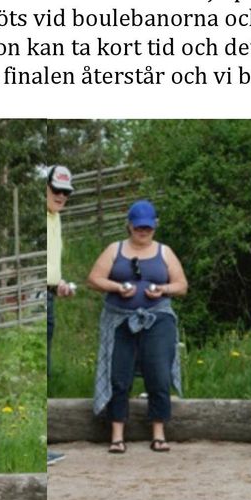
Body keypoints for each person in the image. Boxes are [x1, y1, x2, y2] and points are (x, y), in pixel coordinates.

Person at [88, 200, 187, 453]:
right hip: (119, 318)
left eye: (148, 228)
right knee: (119, 375)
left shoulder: (165, 252)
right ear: (129, 226)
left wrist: (162, 289)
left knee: (159, 373)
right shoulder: (115, 249)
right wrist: (117, 287)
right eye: (138, 228)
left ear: (155, 226)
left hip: (158, 317)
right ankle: (117, 434)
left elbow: (181, 285)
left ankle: (158, 432)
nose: (143, 232)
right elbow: (94, 279)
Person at [46, 165, 74, 464]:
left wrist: (59, 284)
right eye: (56, 190)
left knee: (46, 369)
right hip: (37, 296)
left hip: (49, 297)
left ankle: (46, 443)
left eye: (66, 192)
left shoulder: (56, 218)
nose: (61, 196)